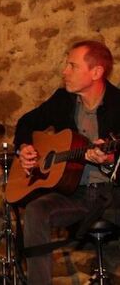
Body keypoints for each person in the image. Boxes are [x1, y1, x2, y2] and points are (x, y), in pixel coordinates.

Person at [14, 40, 120, 284]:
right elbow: (26, 122)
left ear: (96, 72)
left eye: (72, 66)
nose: (64, 71)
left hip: (111, 194)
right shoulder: (63, 99)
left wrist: (109, 160)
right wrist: (24, 147)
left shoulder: (118, 104)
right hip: (74, 194)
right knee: (36, 209)